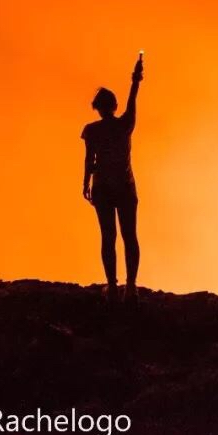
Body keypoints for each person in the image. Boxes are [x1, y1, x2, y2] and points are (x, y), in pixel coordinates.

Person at [81, 52, 143, 303]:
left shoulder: (92, 130)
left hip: (103, 189)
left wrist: (85, 183)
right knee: (130, 236)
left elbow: (89, 160)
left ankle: (113, 287)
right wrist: (135, 81)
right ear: (114, 106)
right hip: (126, 187)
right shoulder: (125, 124)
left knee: (108, 237)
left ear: (97, 108)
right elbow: (133, 100)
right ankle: (131, 287)